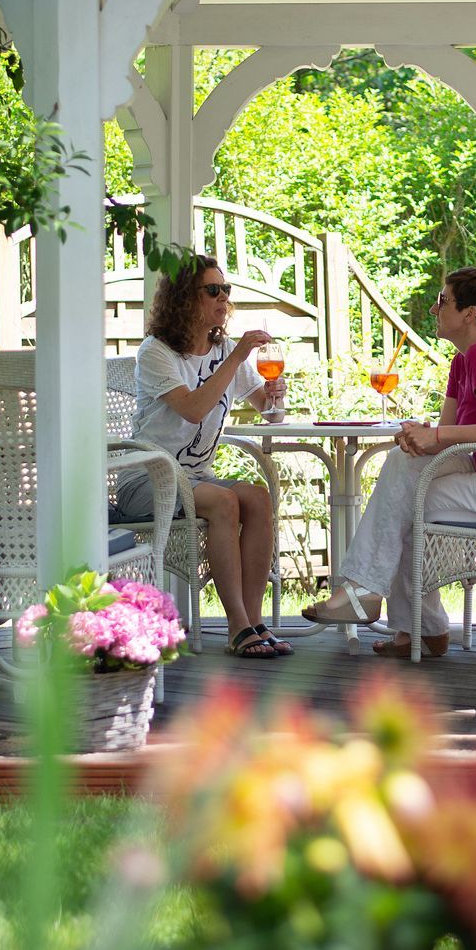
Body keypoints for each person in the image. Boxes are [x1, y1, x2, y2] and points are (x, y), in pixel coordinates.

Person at [302, 267, 476, 658]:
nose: (435, 309)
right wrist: (419, 437)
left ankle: (403, 617)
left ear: (469, 313)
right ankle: (408, 621)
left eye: (442, 300)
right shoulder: (464, 361)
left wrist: (434, 436)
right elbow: (446, 436)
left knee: (404, 505)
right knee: (404, 468)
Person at [117, 255, 289, 659]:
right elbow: (193, 409)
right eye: (213, 290)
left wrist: (276, 396)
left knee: (257, 497)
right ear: (184, 298)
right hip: (148, 478)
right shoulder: (157, 352)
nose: (223, 297)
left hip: (194, 477)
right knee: (224, 500)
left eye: (225, 289)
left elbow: (269, 412)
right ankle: (237, 626)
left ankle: (253, 620)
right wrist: (236, 357)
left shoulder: (224, 350)